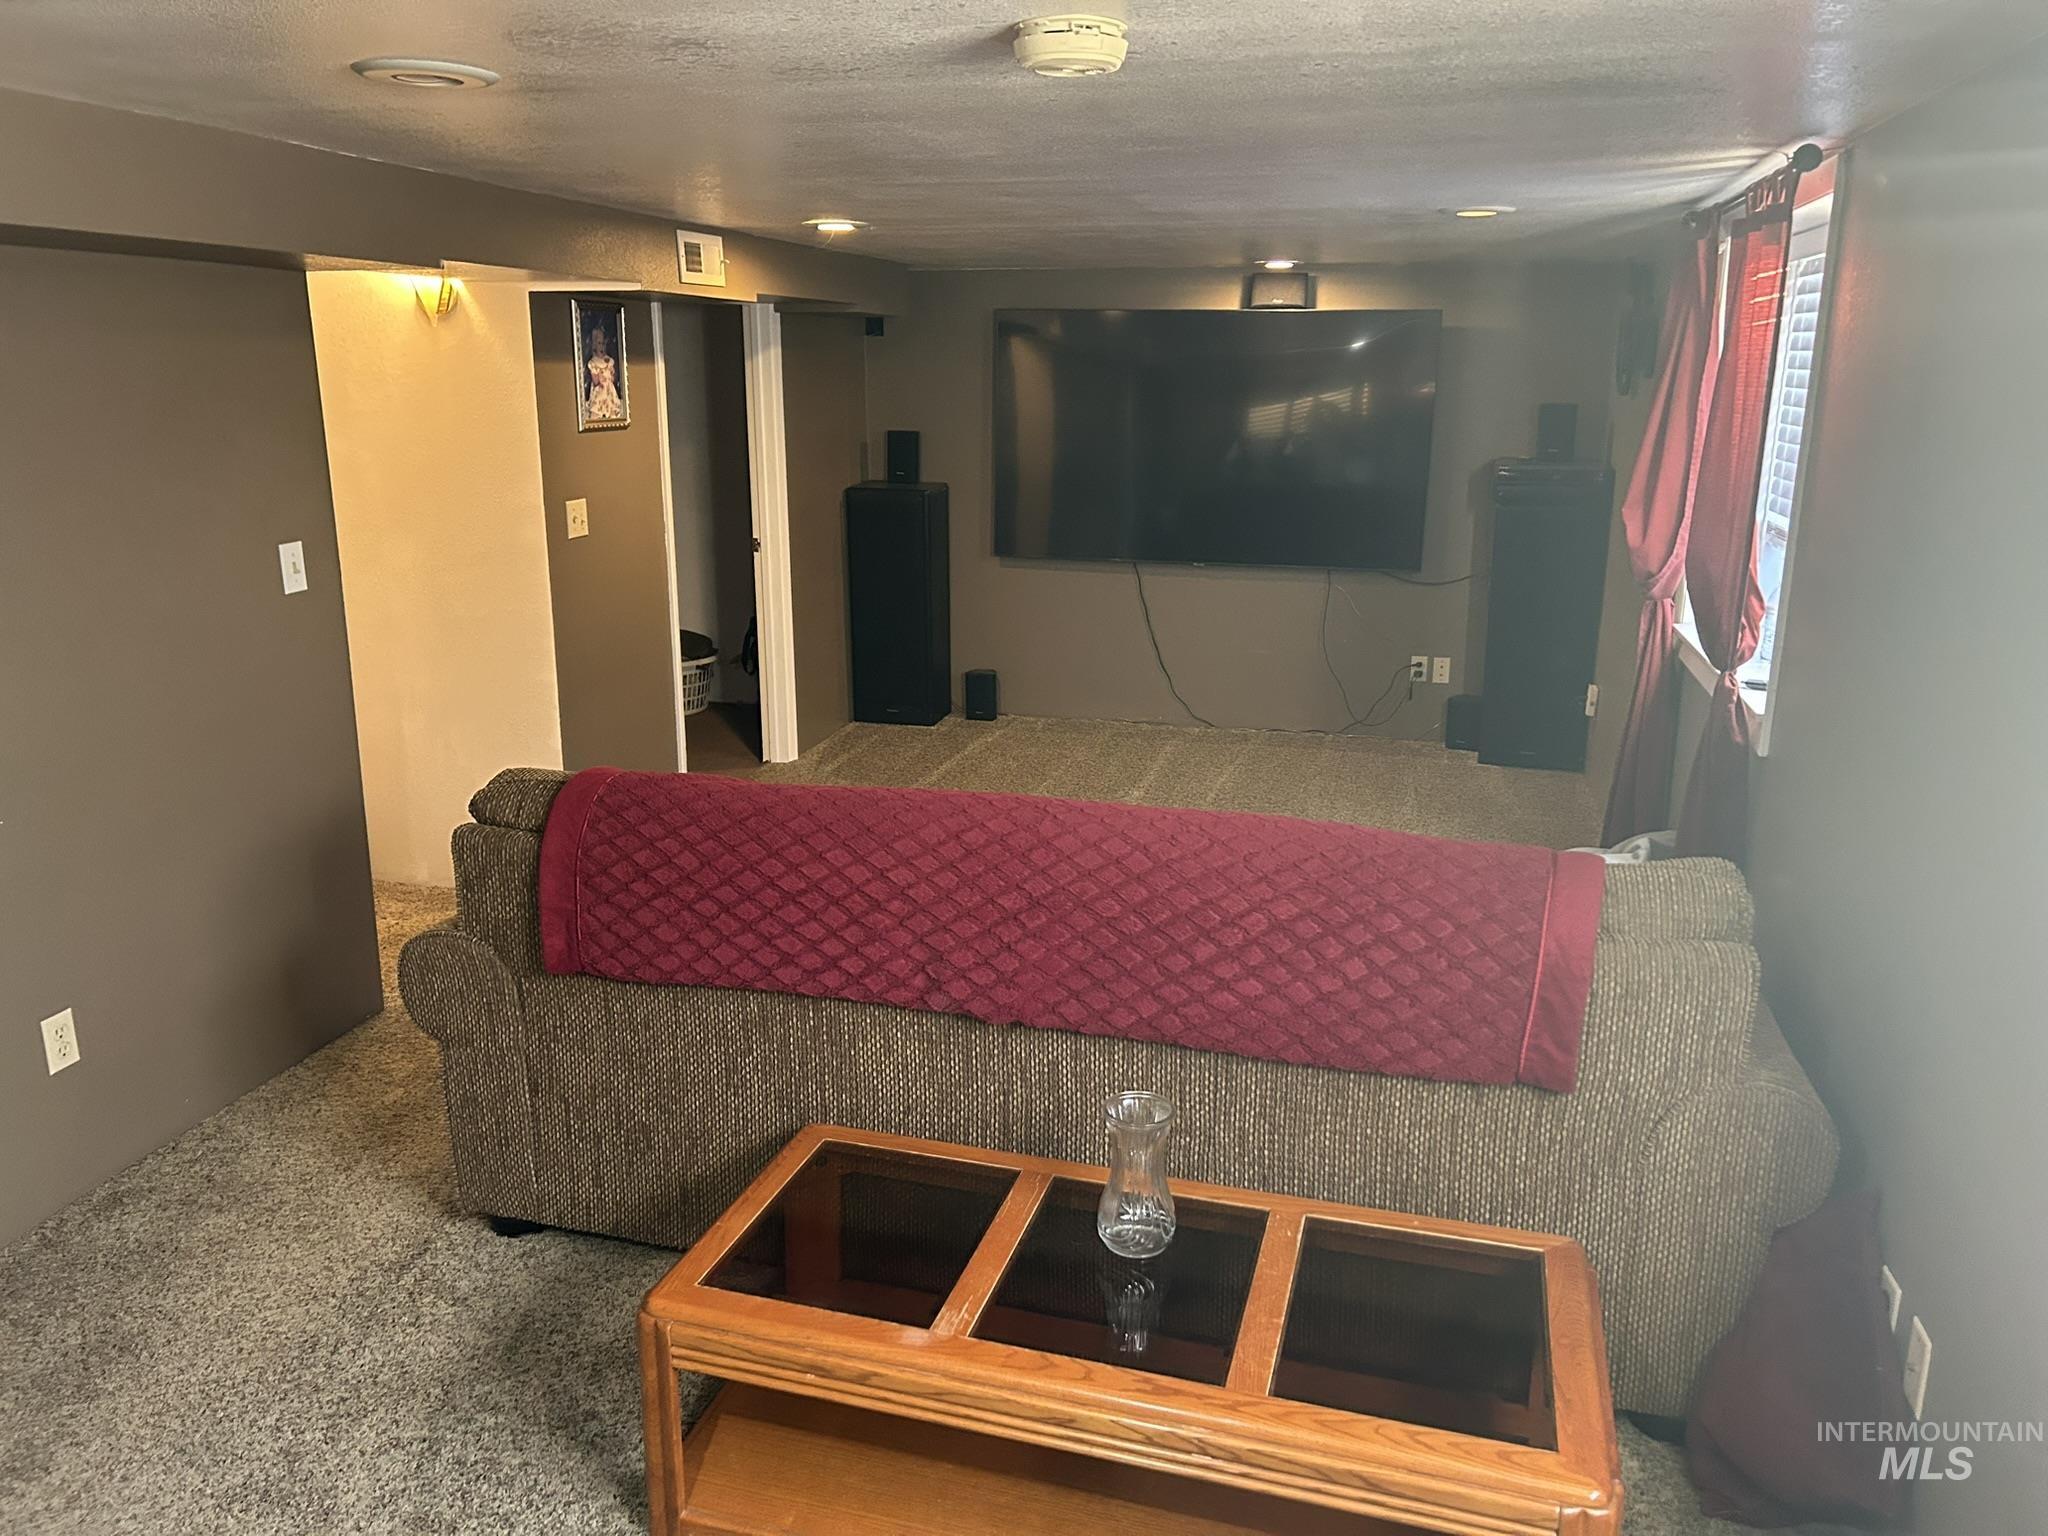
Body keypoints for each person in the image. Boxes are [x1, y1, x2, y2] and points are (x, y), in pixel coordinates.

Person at [584, 324, 623, 420]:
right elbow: (595, 381)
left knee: (612, 413)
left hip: (609, 394)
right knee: (597, 413)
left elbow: (613, 379)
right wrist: (599, 378)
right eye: (599, 343)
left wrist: (611, 376)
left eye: (603, 343)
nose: (602, 346)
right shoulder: (593, 363)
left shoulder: (609, 361)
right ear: (594, 345)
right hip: (599, 395)